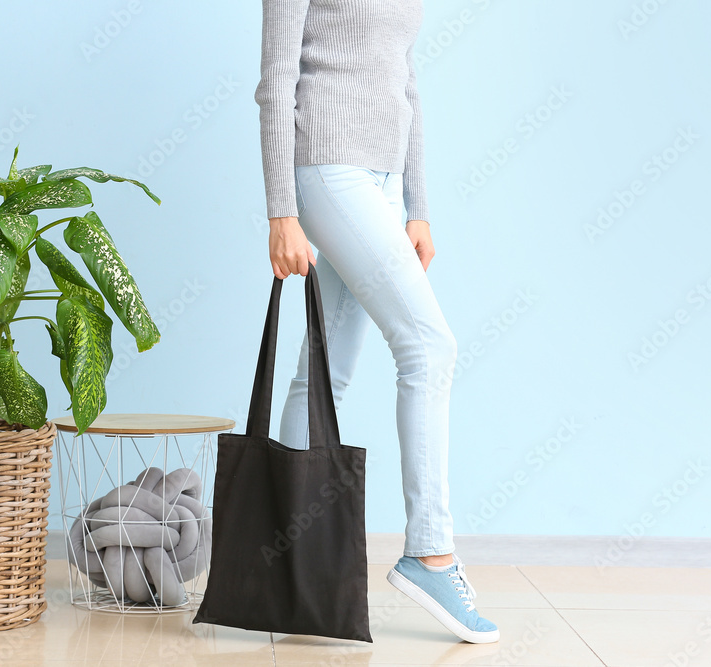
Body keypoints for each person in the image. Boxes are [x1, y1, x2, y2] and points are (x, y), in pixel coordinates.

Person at [254, 0, 499, 644]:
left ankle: (291, 573)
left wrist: (417, 203)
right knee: (429, 347)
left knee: (324, 371)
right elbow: (276, 78)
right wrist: (281, 211)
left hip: (385, 181)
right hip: (329, 168)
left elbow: (405, 75)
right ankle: (431, 552)